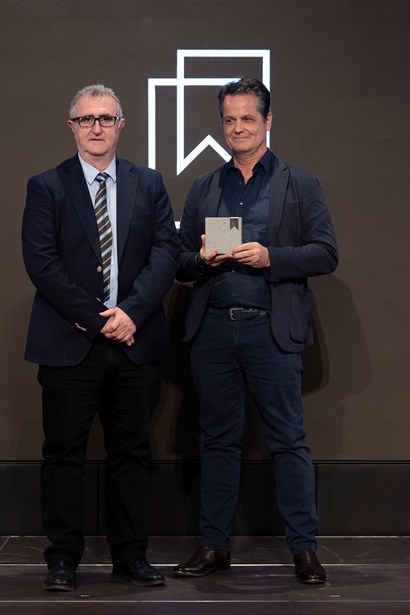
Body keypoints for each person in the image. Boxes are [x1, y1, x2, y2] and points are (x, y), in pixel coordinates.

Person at [173, 77, 338, 584]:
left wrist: (272, 257)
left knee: (288, 440)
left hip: (271, 330)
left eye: (248, 118)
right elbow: (178, 259)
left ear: (267, 120)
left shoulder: (299, 183)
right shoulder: (204, 186)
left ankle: (304, 551)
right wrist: (200, 260)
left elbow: (326, 253)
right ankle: (213, 546)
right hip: (213, 331)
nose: (238, 127)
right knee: (218, 441)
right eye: (230, 119)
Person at [22, 84, 179, 591]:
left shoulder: (149, 183)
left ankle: (131, 557)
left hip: (134, 343)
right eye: (87, 119)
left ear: (121, 126)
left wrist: (131, 313)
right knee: (63, 457)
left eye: (106, 118)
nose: (96, 127)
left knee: (131, 456)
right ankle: (62, 560)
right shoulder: (46, 186)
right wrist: (97, 318)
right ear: (72, 126)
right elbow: (41, 262)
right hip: (70, 346)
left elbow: (165, 252)